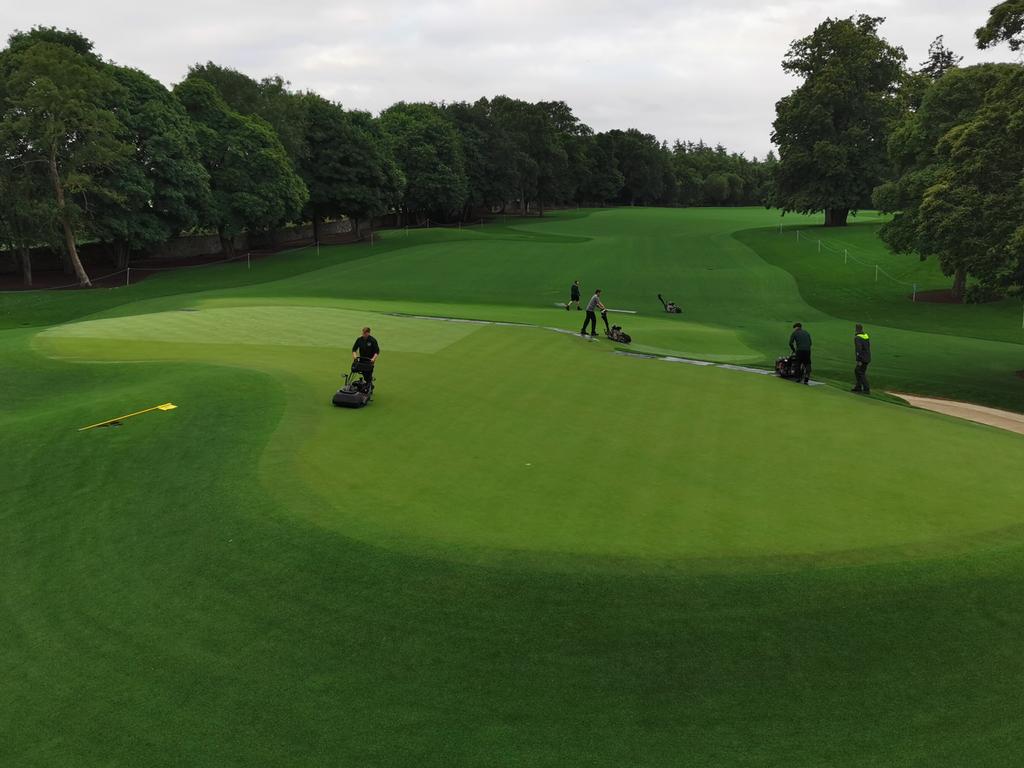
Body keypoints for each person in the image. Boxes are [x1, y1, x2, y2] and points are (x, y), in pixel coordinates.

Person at [852, 324, 871, 394]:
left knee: (860, 372)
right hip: (867, 357)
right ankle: (858, 387)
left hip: (862, 358)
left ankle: (866, 388)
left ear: (856, 329)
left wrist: (859, 360)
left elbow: (858, 349)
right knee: (858, 371)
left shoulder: (857, 338)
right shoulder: (866, 336)